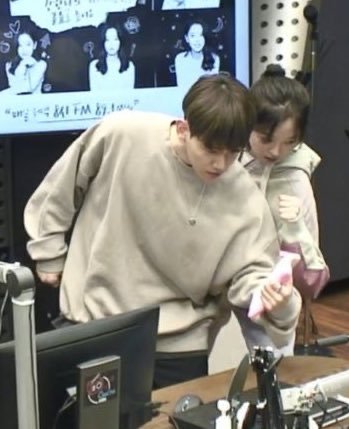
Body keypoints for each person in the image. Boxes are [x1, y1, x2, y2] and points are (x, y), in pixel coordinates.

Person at [23, 73, 302, 388]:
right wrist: (47, 250)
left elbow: (252, 272)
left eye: (232, 153)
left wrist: (272, 297)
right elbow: (61, 186)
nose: (220, 164)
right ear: (184, 129)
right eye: (211, 149)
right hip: (93, 319)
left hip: (179, 342)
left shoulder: (244, 196)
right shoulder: (122, 134)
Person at [231, 64, 330, 356]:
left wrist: (296, 229)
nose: (275, 151)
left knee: (270, 370)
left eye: (289, 142)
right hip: (220, 295)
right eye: (265, 139)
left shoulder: (295, 181)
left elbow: (312, 279)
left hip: (268, 308)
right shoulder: (227, 158)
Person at [174, 20, 220, 93]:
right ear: (187, 38)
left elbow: (212, 90)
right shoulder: (180, 59)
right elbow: (181, 88)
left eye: (201, 35)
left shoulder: (214, 58)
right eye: (193, 36)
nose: (197, 40)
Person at [89, 24, 135, 91]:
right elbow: (94, 92)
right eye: (107, 40)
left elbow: (129, 93)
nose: (111, 44)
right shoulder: (94, 66)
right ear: (103, 42)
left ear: (120, 41)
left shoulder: (129, 66)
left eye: (115, 39)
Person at [3, 30, 47, 95]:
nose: (24, 49)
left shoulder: (41, 64)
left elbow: (28, 88)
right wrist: (22, 65)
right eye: (20, 45)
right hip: (15, 100)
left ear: (34, 45)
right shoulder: (9, 65)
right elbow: (15, 87)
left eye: (28, 45)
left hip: (35, 100)